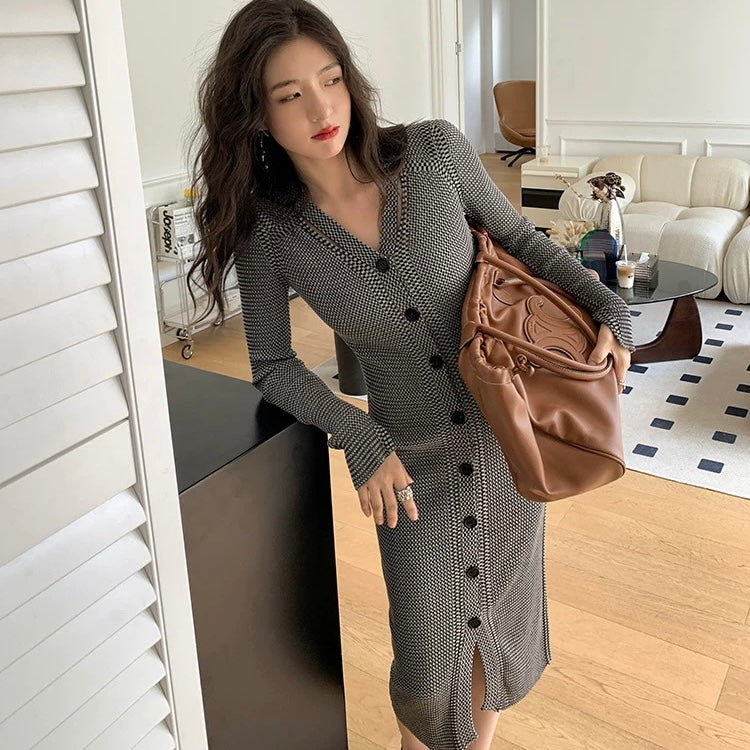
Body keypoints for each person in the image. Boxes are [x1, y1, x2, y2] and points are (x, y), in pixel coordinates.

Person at [187, 1, 634, 748]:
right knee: (426, 658)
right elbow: (273, 365)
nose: (322, 109)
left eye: (331, 79)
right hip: (408, 468)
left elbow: (521, 241)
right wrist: (357, 435)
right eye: (291, 95)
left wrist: (609, 309)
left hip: (505, 440)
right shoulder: (273, 232)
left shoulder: (433, 153)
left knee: (496, 622)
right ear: (258, 115)